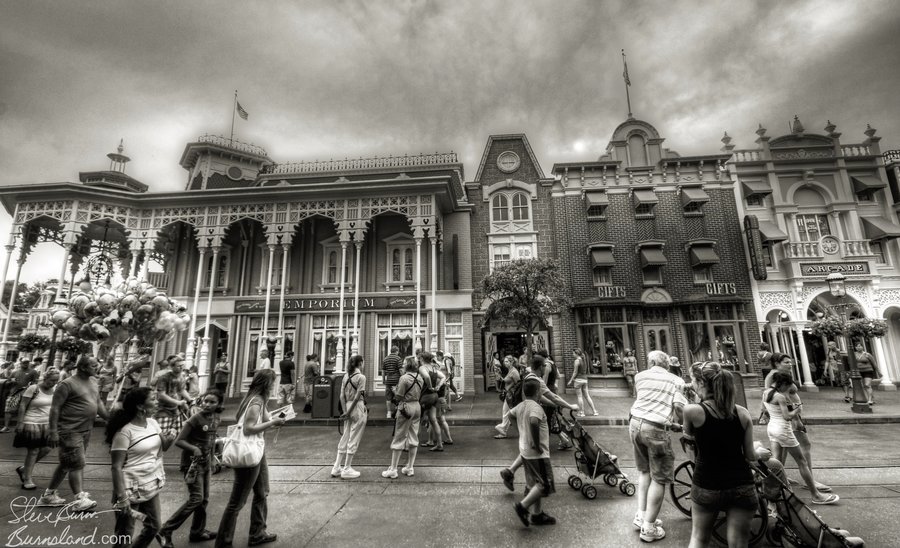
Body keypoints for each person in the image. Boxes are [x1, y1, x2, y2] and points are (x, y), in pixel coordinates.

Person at [683, 362, 757, 548]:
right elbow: (750, 455)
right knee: (739, 542)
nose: (691, 384)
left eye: (693, 380)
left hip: (707, 483)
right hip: (742, 484)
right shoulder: (743, 413)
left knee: (699, 538)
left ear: (701, 383)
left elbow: (689, 442)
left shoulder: (692, 411)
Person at [215, 369, 284, 547]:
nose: (275, 385)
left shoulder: (257, 400)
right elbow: (248, 429)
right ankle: (223, 542)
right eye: (273, 382)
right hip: (248, 452)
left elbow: (260, 422)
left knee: (262, 492)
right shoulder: (256, 402)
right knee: (236, 502)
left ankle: (258, 533)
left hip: (257, 452)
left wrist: (277, 419)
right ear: (267, 384)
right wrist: (272, 423)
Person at [629, 350, 687, 543]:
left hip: (635, 423)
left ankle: (641, 515)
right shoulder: (675, 380)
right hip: (655, 428)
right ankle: (649, 527)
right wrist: (682, 424)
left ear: (650, 362)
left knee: (645, 471)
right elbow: (679, 407)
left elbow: (646, 400)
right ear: (667, 364)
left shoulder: (639, 376)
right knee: (660, 478)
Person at [108, 387, 176, 548]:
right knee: (124, 536)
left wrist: (171, 436)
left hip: (151, 483)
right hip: (130, 489)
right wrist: (122, 498)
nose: (157, 401)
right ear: (140, 406)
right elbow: (116, 467)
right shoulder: (125, 432)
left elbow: (164, 447)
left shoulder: (152, 423)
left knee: (154, 526)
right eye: (153, 399)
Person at [499, 356, 579, 491]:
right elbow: (552, 396)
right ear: (539, 366)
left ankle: (511, 473)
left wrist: (554, 405)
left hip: (525, 412)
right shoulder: (536, 380)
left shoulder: (530, 375)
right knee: (534, 449)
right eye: (544, 366)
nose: (546, 368)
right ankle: (531, 491)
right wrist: (570, 406)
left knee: (527, 449)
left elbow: (542, 397)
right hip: (533, 414)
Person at [157, 388, 224, 548]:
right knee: (196, 499)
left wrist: (214, 460)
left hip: (206, 464)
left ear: (219, 404)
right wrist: (194, 448)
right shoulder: (195, 419)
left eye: (212, 402)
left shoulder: (216, 417)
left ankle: (197, 532)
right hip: (192, 465)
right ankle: (166, 529)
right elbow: (179, 440)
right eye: (205, 401)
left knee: (204, 499)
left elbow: (212, 438)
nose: (207, 404)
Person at [40, 356, 109, 511]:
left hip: (86, 429)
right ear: (83, 367)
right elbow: (55, 408)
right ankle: (79, 499)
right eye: (94, 365)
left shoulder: (93, 382)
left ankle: (48, 495)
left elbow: (98, 403)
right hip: (69, 430)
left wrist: (109, 420)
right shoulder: (66, 384)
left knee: (68, 463)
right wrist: (52, 431)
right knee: (76, 464)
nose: (97, 368)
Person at [763, 371, 838, 505]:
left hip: (772, 428)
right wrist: (796, 410)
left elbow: (766, 410)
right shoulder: (780, 397)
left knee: (776, 463)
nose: (789, 390)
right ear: (783, 384)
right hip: (783, 429)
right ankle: (816, 495)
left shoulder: (766, 392)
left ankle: (772, 497)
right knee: (802, 462)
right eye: (788, 386)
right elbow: (787, 417)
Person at [510, 377, 558, 527]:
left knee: (536, 483)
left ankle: (537, 515)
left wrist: (520, 432)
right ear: (538, 393)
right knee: (545, 484)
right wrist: (536, 444)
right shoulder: (536, 408)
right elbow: (534, 421)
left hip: (524, 451)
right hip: (537, 454)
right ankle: (522, 507)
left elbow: (510, 415)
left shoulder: (521, 405)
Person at [13, 366, 60, 490]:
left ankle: (24, 469)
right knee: (33, 451)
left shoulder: (55, 389)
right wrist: (20, 422)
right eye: (52, 380)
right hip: (31, 422)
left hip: (46, 424)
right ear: (45, 378)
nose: (54, 383)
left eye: (56, 381)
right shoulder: (34, 388)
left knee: (47, 449)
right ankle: (27, 479)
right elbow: (23, 405)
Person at [383, 356, 423, 478]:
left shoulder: (404, 378)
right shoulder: (419, 377)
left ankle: (393, 469)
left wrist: (395, 391)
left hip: (406, 407)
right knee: (413, 436)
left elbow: (399, 397)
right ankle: (409, 467)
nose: (403, 364)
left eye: (404, 362)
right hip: (417, 406)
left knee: (399, 436)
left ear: (408, 365)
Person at [331, 355, 367, 479]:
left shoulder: (346, 376)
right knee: (354, 437)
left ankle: (336, 467)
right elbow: (358, 397)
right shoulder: (361, 377)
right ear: (360, 363)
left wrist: (345, 411)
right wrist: (350, 411)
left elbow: (341, 396)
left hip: (347, 405)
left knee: (346, 435)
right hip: (357, 407)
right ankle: (347, 468)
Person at [419, 351, 451, 451]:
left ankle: (409, 445)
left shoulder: (423, 368)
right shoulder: (433, 368)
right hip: (434, 396)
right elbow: (443, 377)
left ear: (422, 359)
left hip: (425, 396)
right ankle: (439, 444)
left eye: (420, 359)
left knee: (417, 421)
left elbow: (427, 376)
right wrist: (438, 386)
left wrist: (430, 387)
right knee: (433, 421)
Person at [155, 355, 192, 435]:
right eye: (179, 366)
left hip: (175, 410)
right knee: (162, 435)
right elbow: (161, 395)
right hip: (163, 410)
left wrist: (190, 400)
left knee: (177, 435)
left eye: (182, 365)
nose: (181, 368)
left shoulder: (181, 377)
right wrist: (177, 402)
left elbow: (182, 390)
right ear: (172, 366)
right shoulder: (164, 378)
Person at [2, 358, 39, 432]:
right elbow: (8, 382)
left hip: (26, 394)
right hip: (14, 393)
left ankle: (20, 426)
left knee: (23, 410)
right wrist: (12, 381)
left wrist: (31, 387)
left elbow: (36, 383)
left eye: (27, 363)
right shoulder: (15, 372)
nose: (26, 364)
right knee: (8, 409)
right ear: (20, 363)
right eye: (24, 363)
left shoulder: (33, 372)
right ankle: (6, 427)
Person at [494, 356, 522, 439]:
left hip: (511, 395)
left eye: (507, 361)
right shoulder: (510, 370)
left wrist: (513, 392)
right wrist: (501, 379)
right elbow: (507, 381)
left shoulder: (514, 372)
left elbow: (518, 383)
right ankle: (503, 431)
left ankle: (504, 430)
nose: (505, 363)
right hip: (508, 394)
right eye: (504, 361)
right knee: (507, 413)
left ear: (511, 362)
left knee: (507, 413)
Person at [567, 349, 597, 417]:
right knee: (587, 396)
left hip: (578, 380)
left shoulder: (577, 361)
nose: (572, 355)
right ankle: (594, 411)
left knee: (579, 397)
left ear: (576, 354)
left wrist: (571, 380)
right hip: (585, 380)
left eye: (573, 353)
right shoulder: (584, 360)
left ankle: (582, 412)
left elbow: (575, 372)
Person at [381, 346, 402, 418]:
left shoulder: (385, 359)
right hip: (397, 380)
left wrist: (383, 380)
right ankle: (398, 412)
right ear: (396, 351)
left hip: (389, 380)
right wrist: (403, 378)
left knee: (388, 397)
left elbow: (383, 371)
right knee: (398, 396)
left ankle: (388, 413)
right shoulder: (398, 358)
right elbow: (401, 370)